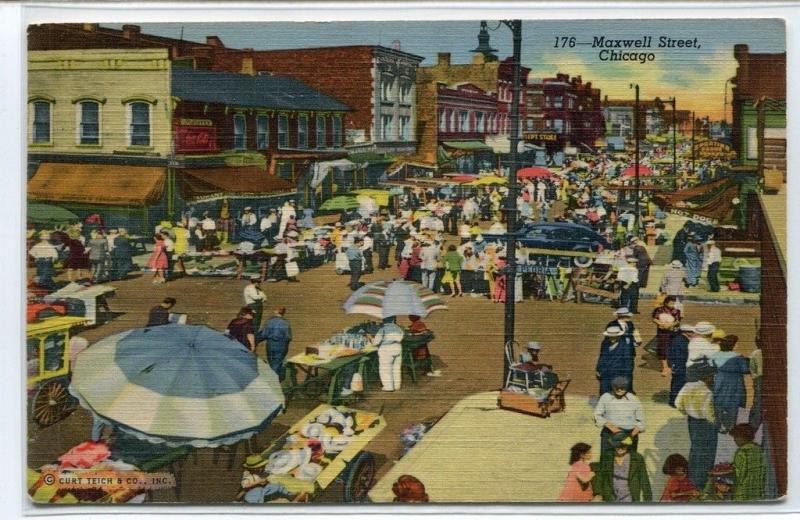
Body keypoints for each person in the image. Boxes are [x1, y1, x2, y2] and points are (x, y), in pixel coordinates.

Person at [675, 363, 718, 489]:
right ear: (707, 377)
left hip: (692, 421)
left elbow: (678, 403)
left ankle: (692, 479)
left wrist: (687, 412)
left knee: (695, 449)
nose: (714, 378)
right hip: (705, 424)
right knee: (707, 453)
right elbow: (708, 413)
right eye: (712, 376)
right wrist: (717, 423)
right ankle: (701, 483)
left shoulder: (688, 386)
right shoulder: (707, 393)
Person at [590, 432, 652, 502]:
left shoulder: (637, 458)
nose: (619, 448)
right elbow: (600, 475)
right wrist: (598, 493)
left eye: (622, 446)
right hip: (611, 496)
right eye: (617, 446)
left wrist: (648, 499)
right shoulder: (607, 456)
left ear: (628, 446)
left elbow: (644, 479)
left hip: (630, 496)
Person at [594, 376, 645, 456]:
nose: (619, 390)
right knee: (607, 460)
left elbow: (641, 421)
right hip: (610, 433)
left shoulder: (634, 399)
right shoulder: (606, 397)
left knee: (628, 462)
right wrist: (612, 427)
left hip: (629, 434)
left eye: (622, 388)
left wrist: (631, 435)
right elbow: (597, 415)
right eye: (616, 387)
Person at [709, 335, 750, 433]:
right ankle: (731, 427)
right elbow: (745, 370)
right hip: (734, 382)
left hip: (720, 380)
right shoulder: (738, 357)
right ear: (733, 345)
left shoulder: (715, 355)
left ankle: (719, 425)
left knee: (719, 403)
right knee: (733, 405)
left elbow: (710, 366)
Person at [596, 326, 637, 396]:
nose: (612, 338)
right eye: (610, 336)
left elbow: (628, 364)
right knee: (604, 394)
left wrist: (626, 379)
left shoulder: (625, 346)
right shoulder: (605, 344)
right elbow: (601, 357)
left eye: (614, 336)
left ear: (618, 336)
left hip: (619, 375)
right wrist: (598, 369)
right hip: (605, 374)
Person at [730, 423, 766, 501]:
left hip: (742, 492)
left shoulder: (741, 452)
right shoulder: (759, 450)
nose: (734, 440)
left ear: (742, 437)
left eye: (736, 437)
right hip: (757, 490)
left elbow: (738, 474)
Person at [256, 307, 292, 381]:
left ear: (276, 311)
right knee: (277, 362)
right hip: (281, 345)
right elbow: (288, 337)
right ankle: (275, 380)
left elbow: (264, 334)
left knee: (271, 362)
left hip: (270, 344)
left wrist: (256, 341)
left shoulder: (269, 321)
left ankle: (274, 378)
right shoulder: (286, 323)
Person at [371, 316, 404, 392]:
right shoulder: (398, 328)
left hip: (386, 349)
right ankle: (397, 386)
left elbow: (376, 342)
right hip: (397, 348)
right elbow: (401, 337)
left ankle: (388, 387)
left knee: (385, 369)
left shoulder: (382, 329)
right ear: (393, 320)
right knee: (396, 369)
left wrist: (372, 339)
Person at [652, 296, 681, 376]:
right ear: (666, 302)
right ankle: (664, 367)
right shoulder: (659, 310)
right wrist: (660, 323)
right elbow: (654, 318)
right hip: (662, 332)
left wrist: (670, 325)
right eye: (671, 303)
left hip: (673, 332)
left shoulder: (676, 311)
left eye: (673, 303)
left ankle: (671, 366)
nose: (672, 304)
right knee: (662, 349)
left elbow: (677, 320)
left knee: (672, 348)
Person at [667, 324, 693, 407]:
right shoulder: (682, 341)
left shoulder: (677, 339)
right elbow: (686, 352)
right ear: (686, 332)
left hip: (677, 365)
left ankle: (673, 401)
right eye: (691, 332)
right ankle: (675, 402)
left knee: (676, 383)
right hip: (680, 365)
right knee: (679, 383)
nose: (693, 333)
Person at [748, 342, 763, 430]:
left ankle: (752, 426)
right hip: (762, 379)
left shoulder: (755, 353)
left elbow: (752, 368)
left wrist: (754, 378)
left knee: (757, 403)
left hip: (758, 379)